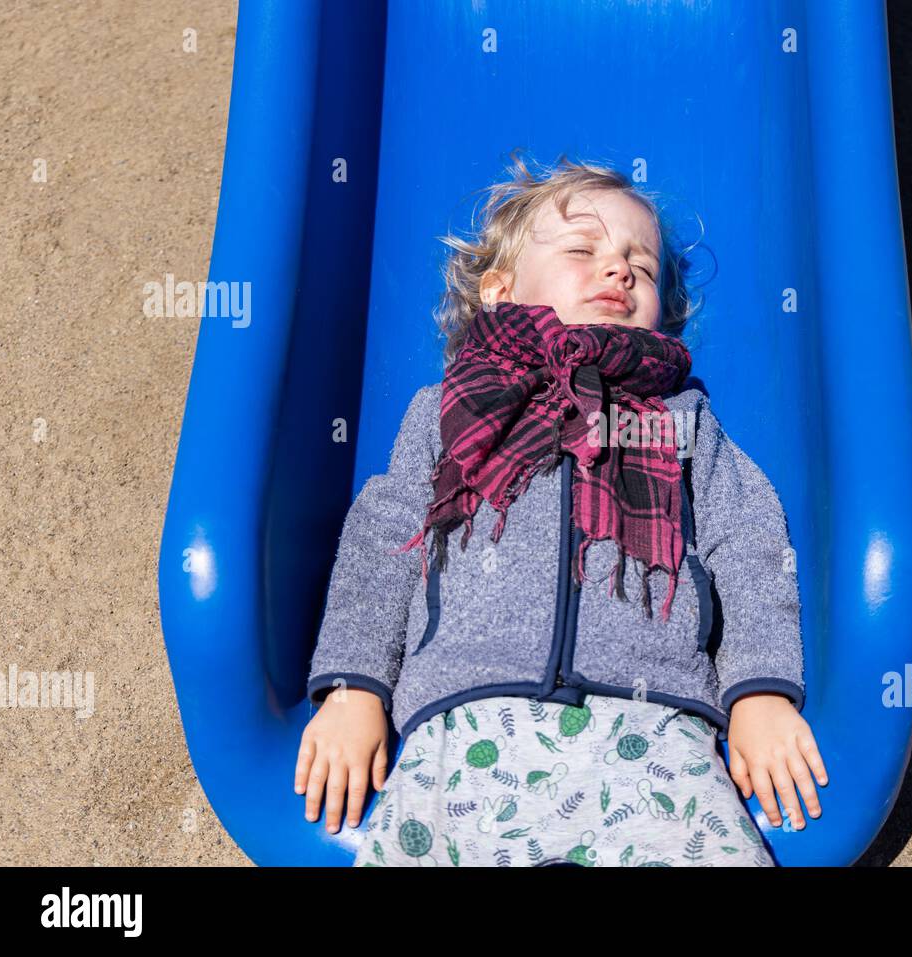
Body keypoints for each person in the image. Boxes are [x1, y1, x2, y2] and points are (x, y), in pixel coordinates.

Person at [294, 151, 828, 866]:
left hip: (657, 725)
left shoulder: (678, 416)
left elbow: (747, 542)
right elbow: (384, 540)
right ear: (499, 291)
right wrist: (355, 687)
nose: (618, 269)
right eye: (584, 250)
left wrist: (758, 690)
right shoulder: (450, 410)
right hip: (462, 721)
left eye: (640, 266)